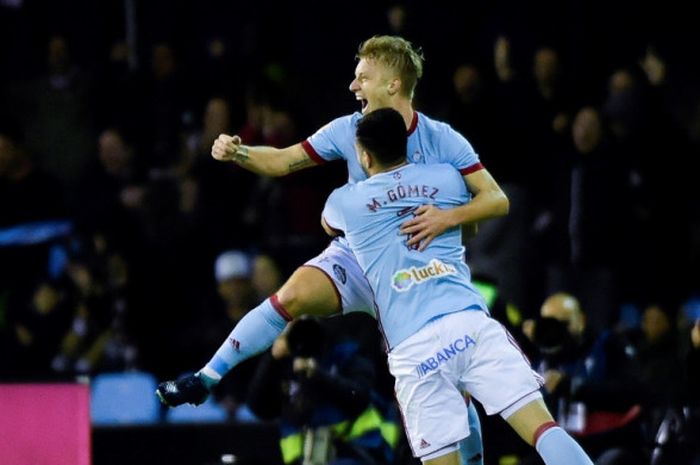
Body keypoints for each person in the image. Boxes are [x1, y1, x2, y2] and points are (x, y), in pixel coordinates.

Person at [157, 35, 506, 464]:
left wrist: (448, 219)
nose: (353, 86)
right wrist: (239, 151)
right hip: (360, 259)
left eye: (363, 77)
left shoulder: (442, 138)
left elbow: (494, 199)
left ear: (393, 84)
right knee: (291, 295)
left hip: (419, 274)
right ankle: (206, 378)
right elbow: (284, 161)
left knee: (452, 382)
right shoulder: (347, 130)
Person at [319, 108, 593, 465]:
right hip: (469, 324)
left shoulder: (345, 201)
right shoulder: (446, 179)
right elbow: (489, 205)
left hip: (414, 349)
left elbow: (328, 226)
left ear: (364, 155)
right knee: (543, 430)